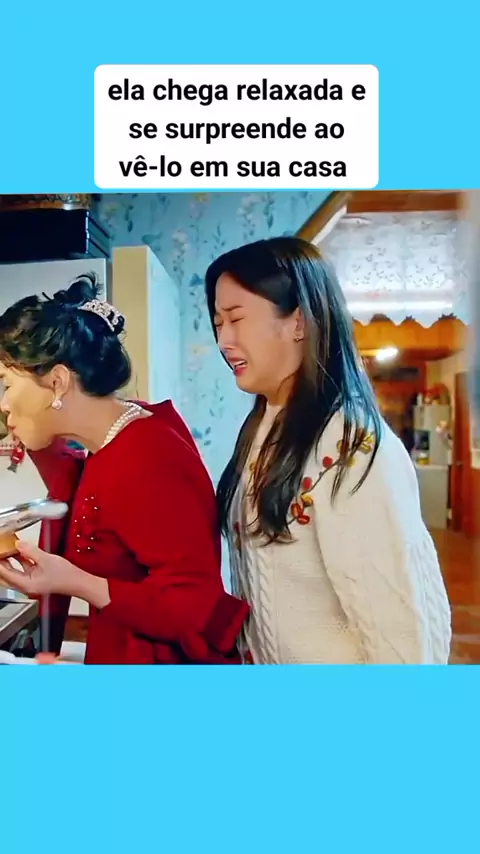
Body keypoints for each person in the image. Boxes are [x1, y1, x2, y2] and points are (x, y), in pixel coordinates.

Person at [205, 237, 452, 665]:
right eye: (217, 323)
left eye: (237, 318)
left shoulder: (352, 448)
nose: (224, 340)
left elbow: (399, 634)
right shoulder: (262, 429)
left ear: (298, 322)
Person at [0, 273, 248, 664]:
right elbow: (78, 487)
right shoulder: (114, 438)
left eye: (7, 384)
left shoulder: (148, 456)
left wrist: (74, 581)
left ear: (58, 382)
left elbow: (193, 604)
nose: (3, 403)